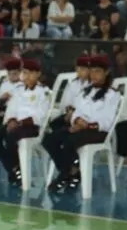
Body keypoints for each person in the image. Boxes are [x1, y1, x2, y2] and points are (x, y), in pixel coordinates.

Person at [42, 55, 121, 192]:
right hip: (80, 127)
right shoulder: (86, 91)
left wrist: (87, 125)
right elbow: (77, 111)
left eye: (97, 71)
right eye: (92, 71)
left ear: (106, 72)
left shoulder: (112, 95)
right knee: (49, 139)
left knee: (68, 142)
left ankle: (64, 175)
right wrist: (77, 121)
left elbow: (107, 120)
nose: (93, 75)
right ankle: (72, 171)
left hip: (97, 131)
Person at [0, 58, 51, 185]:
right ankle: (13, 168)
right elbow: (12, 108)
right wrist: (11, 120)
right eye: (25, 72)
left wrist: (20, 123)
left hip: (31, 126)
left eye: (31, 73)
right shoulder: (19, 90)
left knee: (11, 137)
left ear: (38, 74)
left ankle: (16, 171)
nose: (27, 76)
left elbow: (40, 115)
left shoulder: (44, 92)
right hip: (15, 124)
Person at [49, 55, 91, 131]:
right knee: (53, 125)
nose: (79, 71)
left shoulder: (92, 85)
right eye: (78, 69)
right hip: (68, 114)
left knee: (62, 131)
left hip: (82, 118)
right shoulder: (73, 84)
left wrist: (74, 113)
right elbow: (66, 102)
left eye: (83, 69)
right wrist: (69, 111)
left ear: (89, 70)